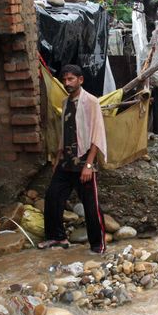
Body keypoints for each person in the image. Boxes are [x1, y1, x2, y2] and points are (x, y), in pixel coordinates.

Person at [41, 64, 108, 253]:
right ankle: (57, 237)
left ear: (80, 80)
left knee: (90, 205)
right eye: (64, 79)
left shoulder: (91, 102)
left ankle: (98, 245)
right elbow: (65, 132)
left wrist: (89, 164)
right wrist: (57, 158)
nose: (67, 83)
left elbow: (97, 134)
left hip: (84, 161)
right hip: (66, 162)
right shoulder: (65, 103)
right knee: (53, 196)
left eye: (71, 79)